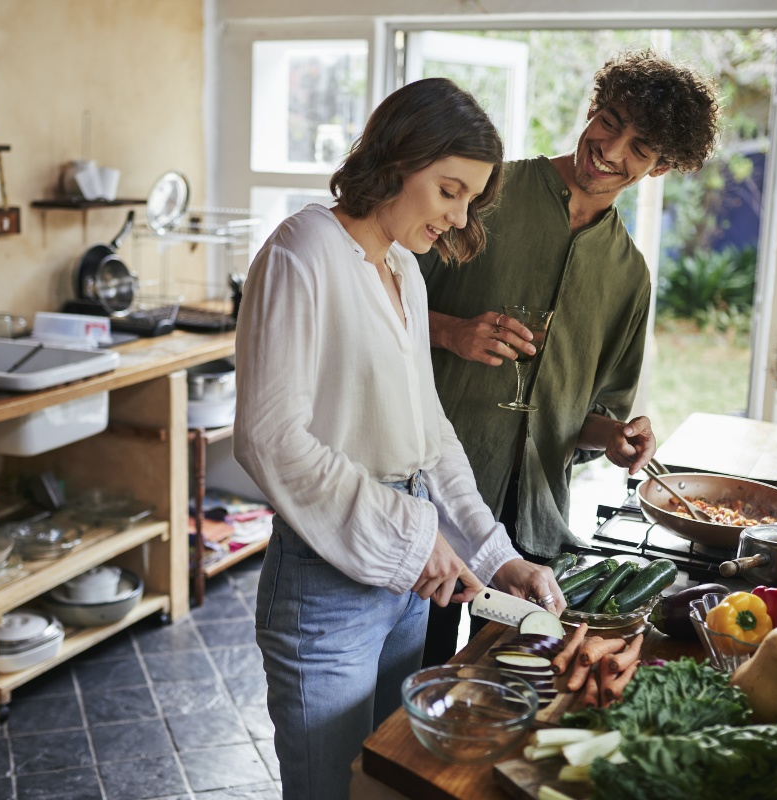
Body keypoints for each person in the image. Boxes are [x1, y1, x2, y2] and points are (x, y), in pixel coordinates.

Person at [233, 77, 567, 800]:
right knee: (329, 791)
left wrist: (496, 556)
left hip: (409, 586)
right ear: (397, 159)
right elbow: (269, 438)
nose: (458, 217)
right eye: (449, 190)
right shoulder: (302, 251)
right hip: (326, 588)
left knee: (385, 785)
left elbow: (429, 436)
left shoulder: (404, 270)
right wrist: (415, 539)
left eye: (470, 200)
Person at [418, 50, 722, 665]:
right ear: (592, 108)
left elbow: (587, 416)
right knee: (411, 673)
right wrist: (451, 332)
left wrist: (615, 438)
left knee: (507, 679)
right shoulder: (481, 193)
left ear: (661, 167)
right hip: (429, 498)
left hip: (535, 523)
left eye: (640, 148)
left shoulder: (630, 276)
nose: (610, 149)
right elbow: (374, 301)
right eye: (609, 121)